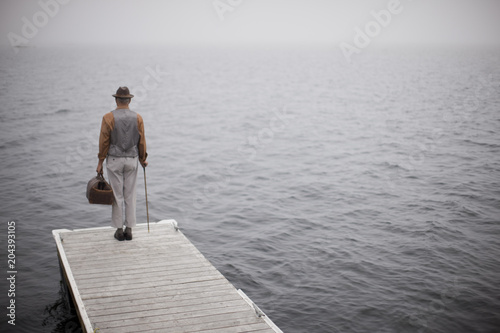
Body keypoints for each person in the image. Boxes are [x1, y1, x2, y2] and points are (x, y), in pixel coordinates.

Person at [96, 86, 148, 241]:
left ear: (116, 100)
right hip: (132, 159)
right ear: (129, 100)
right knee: (130, 195)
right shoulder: (138, 118)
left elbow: (104, 142)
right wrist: (142, 158)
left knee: (117, 195)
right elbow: (142, 141)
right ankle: (129, 229)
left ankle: (119, 230)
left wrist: (100, 161)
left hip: (114, 159)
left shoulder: (108, 117)